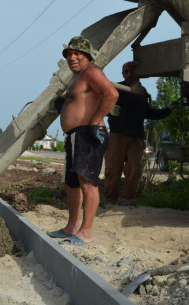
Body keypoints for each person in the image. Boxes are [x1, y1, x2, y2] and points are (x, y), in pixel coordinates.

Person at [48, 36, 118, 246]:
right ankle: (71, 227)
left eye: (77, 53)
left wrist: (95, 121)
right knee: (72, 183)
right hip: (75, 136)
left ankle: (85, 233)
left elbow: (111, 94)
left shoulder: (92, 72)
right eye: (69, 54)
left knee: (87, 182)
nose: (72, 57)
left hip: (89, 134)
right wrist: (63, 100)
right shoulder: (76, 78)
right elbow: (78, 98)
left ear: (86, 55)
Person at [103, 61, 177, 206]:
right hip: (117, 136)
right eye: (126, 71)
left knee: (135, 169)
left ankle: (127, 199)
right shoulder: (114, 89)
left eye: (132, 71)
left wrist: (167, 109)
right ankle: (109, 200)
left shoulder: (142, 94)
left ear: (139, 74)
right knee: (113, 168)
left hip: (136, 137)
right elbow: (100, 104)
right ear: (122, 73)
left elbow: (149, 113)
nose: (129, 74)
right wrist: (108, 109)